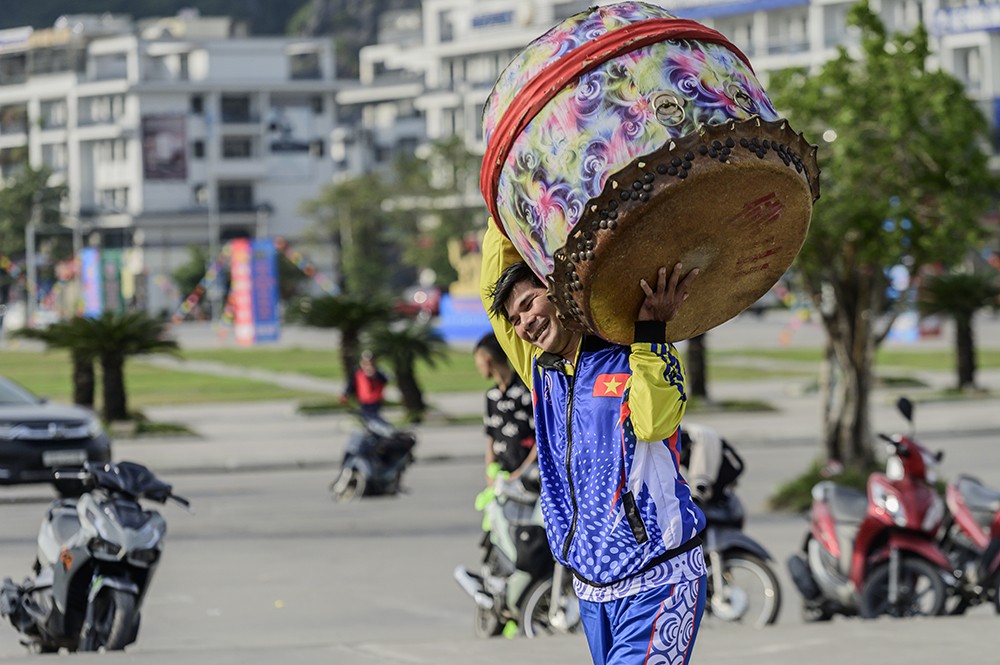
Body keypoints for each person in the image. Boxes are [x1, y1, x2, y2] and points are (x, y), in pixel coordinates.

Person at [481, 224, 707, 665]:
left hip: (658, 574)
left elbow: (655, 422)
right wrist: (499, 205)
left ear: (559, 291)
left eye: (530, 303)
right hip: (592, 587)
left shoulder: (629, 353)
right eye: (516, 319)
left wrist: (651, 335)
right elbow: (496, 274)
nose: (525, 323)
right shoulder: (541, 371)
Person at [473, 333, 537, 485]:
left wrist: (521, 473)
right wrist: (490, 473)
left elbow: (541, 437)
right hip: (503, 476)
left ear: (486, 359)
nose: (478, 367)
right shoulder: (491, 396)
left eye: (478, 361)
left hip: (531, 476)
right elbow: (491, 437)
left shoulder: (526, 390)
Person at [342, 351, 389, 420]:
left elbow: (385, 380)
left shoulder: (378, 373)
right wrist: (346, 394)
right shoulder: (358, 373)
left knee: (373, 416)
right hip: (363, 400)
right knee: (365, 416)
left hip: (375, 400)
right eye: (365, 363)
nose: (368, 365)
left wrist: (373, 375)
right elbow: (351, 385)